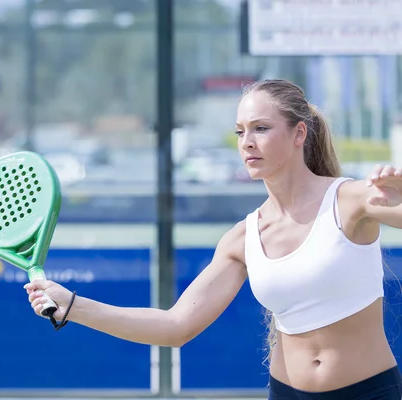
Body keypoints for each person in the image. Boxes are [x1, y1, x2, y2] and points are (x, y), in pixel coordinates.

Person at [24, 79, 402, 399]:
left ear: (299, 133)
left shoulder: (350, 199)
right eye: (240, 132)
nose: (247, 142)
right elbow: (175, 327)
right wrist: (72, 305)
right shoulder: (242, 238)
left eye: (261, 128)